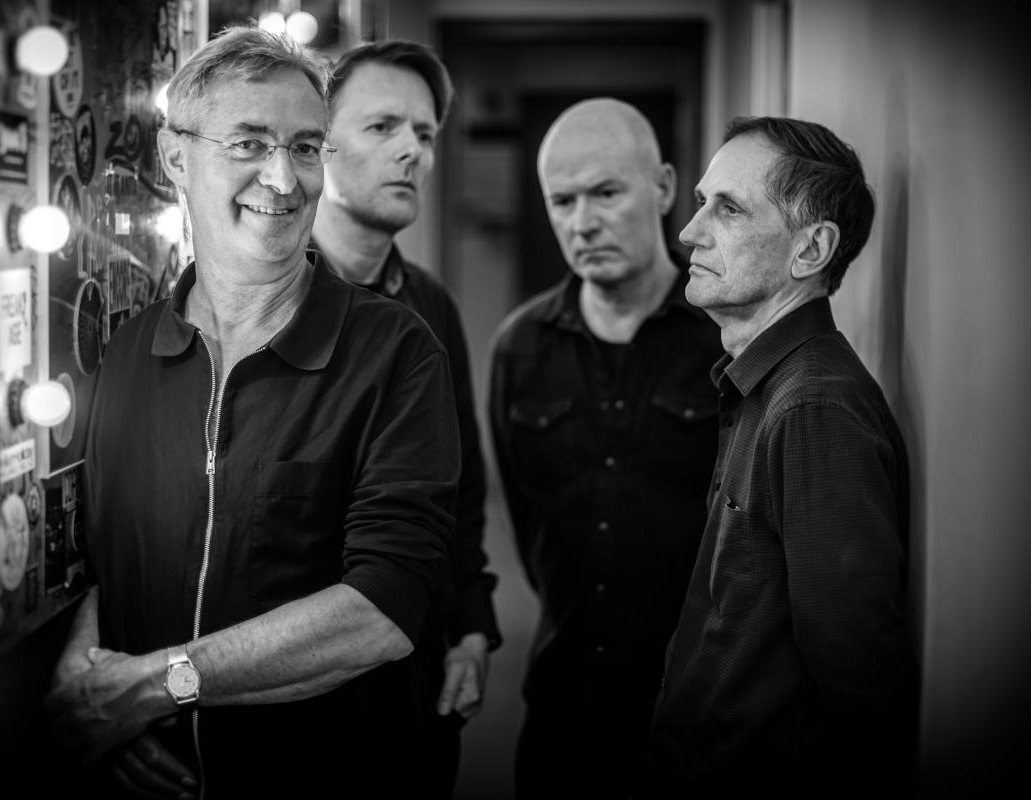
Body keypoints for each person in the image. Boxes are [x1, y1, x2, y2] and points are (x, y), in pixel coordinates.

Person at [43, 26, 461, 799]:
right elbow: (108, 559)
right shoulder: (128, 355)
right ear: (176, 158)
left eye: (305, 148)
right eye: (249, 143)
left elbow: (387, 605)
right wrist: (94, 685)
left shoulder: (395, 352)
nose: (283, 177)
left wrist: (152, 688)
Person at [645, 116, 920, 798]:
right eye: (702, 201)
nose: (689, 231)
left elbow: (859, 678)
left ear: (811, 250)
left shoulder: (813, 408)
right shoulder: (766, 384)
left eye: (729, 209)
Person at [487, 98, 723, 799]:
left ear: (664, 188)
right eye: (562, 201)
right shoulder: (519, 348)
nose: (582, 223)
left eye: (607, 193)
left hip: (699, 711)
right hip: (563, 707)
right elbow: (527, 527)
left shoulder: (723, 337)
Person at [312, 39, 501, 798]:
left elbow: (461, 487)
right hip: (286, 690)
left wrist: (471, 627)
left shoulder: (430, 306)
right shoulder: (265, 300)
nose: (412, 151)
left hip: (411, 688)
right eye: (382, 126)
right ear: (318, 143)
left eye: (424, 134)